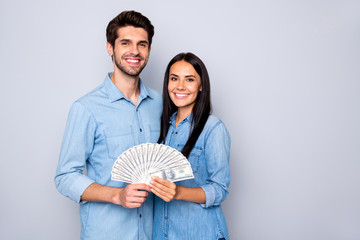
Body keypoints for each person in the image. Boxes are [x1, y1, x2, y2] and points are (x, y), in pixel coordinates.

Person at [54, 11, 161, 240]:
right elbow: (65, 177)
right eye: (125, 43)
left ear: (149, 51)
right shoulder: (86, 108)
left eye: (142, 44)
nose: (135, 51)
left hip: (155, 234)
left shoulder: (162, 105)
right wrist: (117, 195)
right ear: (110, 48)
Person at [150, 52, 231, 240]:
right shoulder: (164, 128)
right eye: (174, 78)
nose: (180, 86)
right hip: (162, 234)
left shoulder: (213, 128)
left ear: (201, 85)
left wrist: (178, 192)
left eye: (189, 79)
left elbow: (220, 189)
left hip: (201, 233)